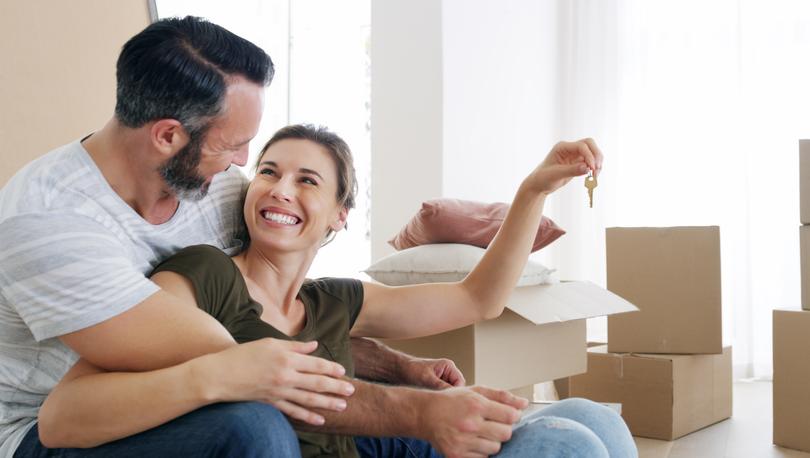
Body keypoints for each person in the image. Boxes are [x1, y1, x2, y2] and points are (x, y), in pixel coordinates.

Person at [0, 17, 467, 458]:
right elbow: (243, 359)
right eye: (232, 145)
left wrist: (397, 369)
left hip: (189, 385)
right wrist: (420, 410)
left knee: (404, 437)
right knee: (257, 424)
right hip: (51, 427)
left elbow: (270, 323)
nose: (243, 162)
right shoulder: (47, 222)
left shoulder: (214, 186)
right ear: (167, 136)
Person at [34, 124, 637, 458]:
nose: (280, 189)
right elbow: (68, 411)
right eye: (268, 171)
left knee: (588, 420)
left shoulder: (334, 303)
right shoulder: (204, 276)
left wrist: (534, 190)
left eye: (307, 180)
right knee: (568, 449)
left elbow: (477, 299)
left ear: (340, 215)